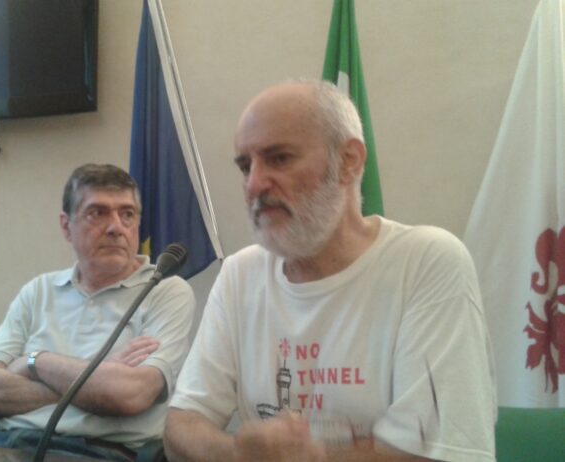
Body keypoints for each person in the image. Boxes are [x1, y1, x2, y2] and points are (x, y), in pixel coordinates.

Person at [164, 80, 496, 461]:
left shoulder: (425, 262)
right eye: (245, 166)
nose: (254, 184)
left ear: (349, 161)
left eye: (279, 159)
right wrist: (237, 452)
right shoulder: (240, 274)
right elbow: (181, 426)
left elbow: (441, 452)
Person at [0, 163, 196, 461]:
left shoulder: (165, 291)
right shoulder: (39, 291)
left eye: (127, 214)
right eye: (97, 213)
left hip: (97, 452)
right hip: (5, 445)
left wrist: (35, 362)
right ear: (66, 226)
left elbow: (130, 395)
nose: (116, 228)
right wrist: (97, 379)